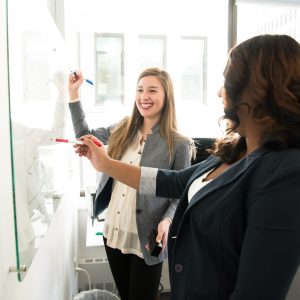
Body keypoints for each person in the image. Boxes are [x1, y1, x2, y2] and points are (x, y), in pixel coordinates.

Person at [74, 34, 300, 300]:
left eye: (227, 81)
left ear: (258, 88)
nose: (219, 91)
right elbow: (173, 182)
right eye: (139, 90)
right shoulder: (233, 151)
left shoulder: (287, 172)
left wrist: (166, 219)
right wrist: (107, 164)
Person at [68, 67, 194, 300]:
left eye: (152, 90)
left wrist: (167, 220)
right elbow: (84, 134)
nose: (144, 97)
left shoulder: (179, 143)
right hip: (114, 231)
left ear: (167, 96)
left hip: (147, 237)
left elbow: (180, 194)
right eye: (140, 90)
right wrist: (73, 94)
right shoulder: (123, 128)